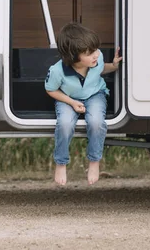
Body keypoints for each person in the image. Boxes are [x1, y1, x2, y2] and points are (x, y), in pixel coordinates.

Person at [44, 22, 122, 186]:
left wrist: (114, 66)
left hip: (95, 94)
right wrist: (72, 102)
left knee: (96, 122)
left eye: (95, 50)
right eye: (90, 53)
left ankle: (94, 161)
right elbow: (51, 90)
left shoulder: (97, 58)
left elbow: (100, 69)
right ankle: (61, 162)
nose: (96, 54)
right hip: (68, 97)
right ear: (73, 56)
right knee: (64, 123)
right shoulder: (57, 71)